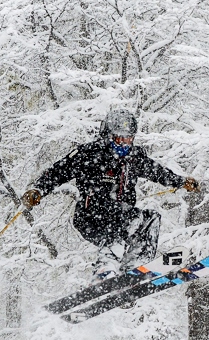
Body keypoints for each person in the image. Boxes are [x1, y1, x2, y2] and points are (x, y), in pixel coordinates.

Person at [21, 108, 199, 278]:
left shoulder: (134, 158)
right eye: (119, 139)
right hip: (91, 216)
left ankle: (135, 266)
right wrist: (38, 189)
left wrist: (181, 181)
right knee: (115, 227)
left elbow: (157, 171)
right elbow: (57, 172)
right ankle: (104, 270)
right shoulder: (88, 155)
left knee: (149, 218)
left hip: (123, 215)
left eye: (128, 139)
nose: (124, 144)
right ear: (107, 136)